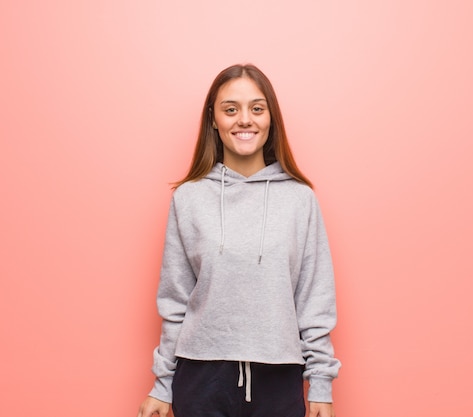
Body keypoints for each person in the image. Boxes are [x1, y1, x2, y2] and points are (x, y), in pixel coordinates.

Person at [137, 64, 340, 417]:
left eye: (256, 108)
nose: (244, 119)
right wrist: (162, 386)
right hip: (201, 378)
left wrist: (321, 385)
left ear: (270, 118)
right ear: (213, 119)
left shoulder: (299, 199)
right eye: (230, 109)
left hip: (279, 380)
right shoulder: (189, 198)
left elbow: (314, 298)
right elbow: (175, 300)